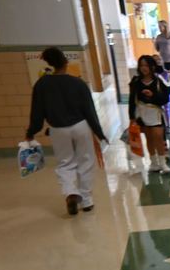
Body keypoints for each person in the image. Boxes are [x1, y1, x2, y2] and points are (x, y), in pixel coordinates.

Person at [25, 47, 108, 216]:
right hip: (81, 126)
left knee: (65, 162)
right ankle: (86, 200)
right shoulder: (78, 83)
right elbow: (89, 111)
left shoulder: (41, 85)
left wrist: (31, 131)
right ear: (66, 62)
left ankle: (71, 192)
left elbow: (37, 112)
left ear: (48, 63)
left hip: (57, 129)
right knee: (85, 160)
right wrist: (99, 133)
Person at [128, 55, 170, 174]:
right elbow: (132, 100)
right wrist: (132, 117)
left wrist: (152, 95)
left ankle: (163, 163)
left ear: (152, 66)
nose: (144, 68)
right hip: (141, 113)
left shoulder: (159, 80)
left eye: (146, 65)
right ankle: (154, 163)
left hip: (155, 112)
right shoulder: (136, 81)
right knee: (149, 138)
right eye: (141, 65)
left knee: (158, 137)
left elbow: (165, 99)